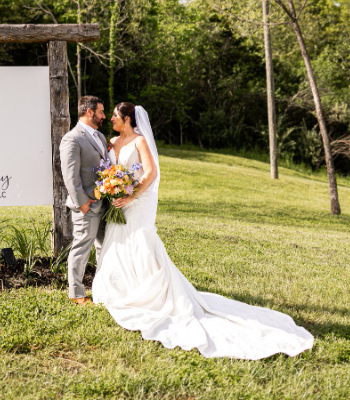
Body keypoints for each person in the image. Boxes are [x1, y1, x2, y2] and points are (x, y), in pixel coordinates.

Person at [92, 102, 314, 359]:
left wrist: (130, 196)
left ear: (128, 119)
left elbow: (150, 173)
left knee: (140, 240)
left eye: (116, 116)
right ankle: (118, 287)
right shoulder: (112, 141)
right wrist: (113, 187)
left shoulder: (140, 141)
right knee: (119, 240)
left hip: (136, 202)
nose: (112, 119)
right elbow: (110, 170)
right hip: (119, 201)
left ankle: (149, 293)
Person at [60, 96, 109, 305]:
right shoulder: (72, 138)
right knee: (81, 247)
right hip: (86, 206)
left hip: (104, 204)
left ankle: (102, 289)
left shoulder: (100, 137)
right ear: (89, 112)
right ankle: (76, 294)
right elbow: (70, 175)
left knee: (103, 247)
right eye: (101, 112)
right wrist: (82, 202)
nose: (104, 116)